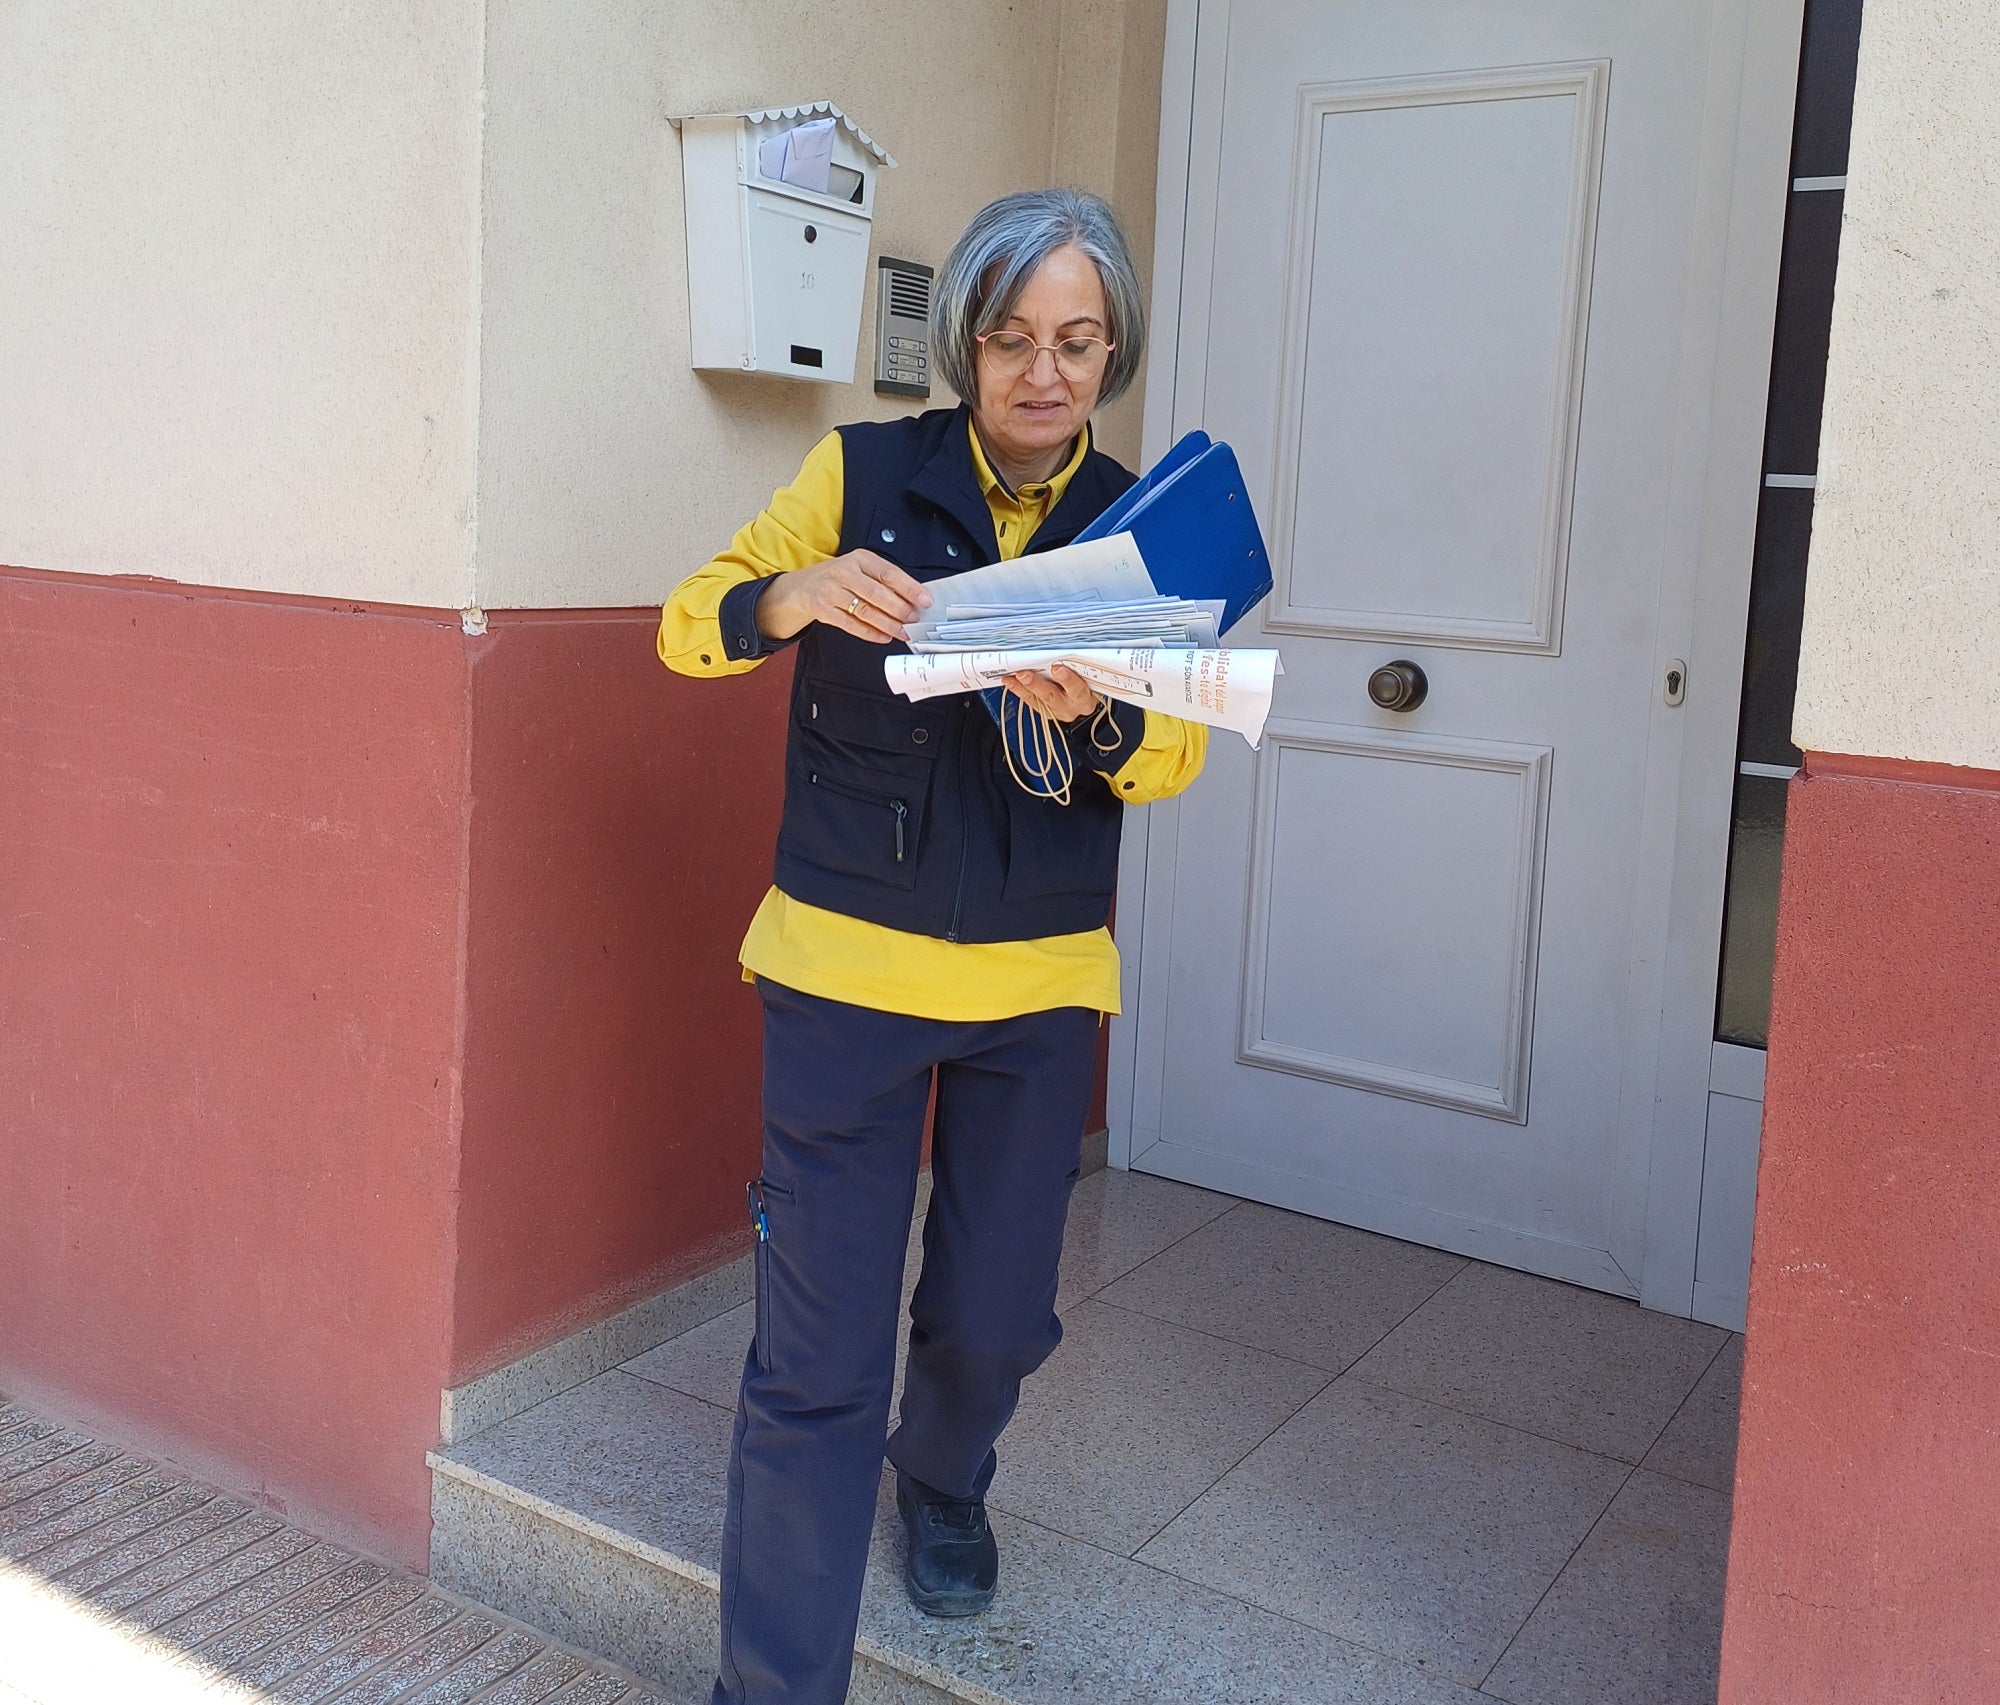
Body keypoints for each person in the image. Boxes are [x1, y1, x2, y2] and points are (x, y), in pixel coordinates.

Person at [658, 188, 1208, 1705]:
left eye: (1079, 342)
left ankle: (947, 1472)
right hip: (843, 974)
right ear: (966, 335)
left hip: (1037, 983)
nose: (1045, 372)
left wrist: (1094, 709)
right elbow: (687, 622)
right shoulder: (856, 473)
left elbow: (1175, 760)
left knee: (992, 1316)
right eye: (1014, 336)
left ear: (1115, 351)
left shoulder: (1145, 518)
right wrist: (793, 592)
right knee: (814, 1365)